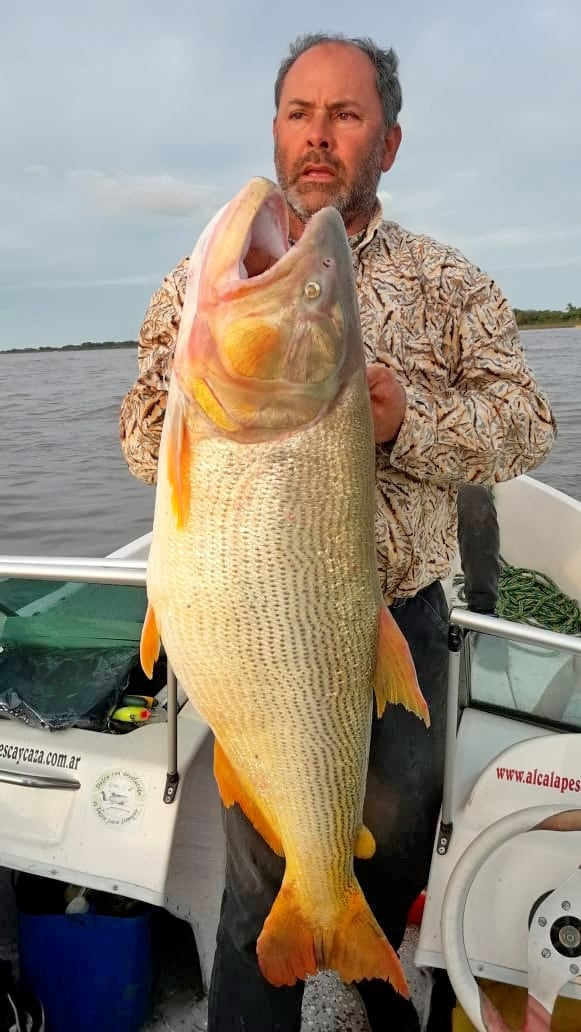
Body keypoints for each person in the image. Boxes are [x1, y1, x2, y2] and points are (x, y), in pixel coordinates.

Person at [119, 33, 556, 1031]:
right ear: (277, 128)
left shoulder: (452, 286)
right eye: (298, 113)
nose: (316, 137)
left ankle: (372, 986)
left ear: (387, 142)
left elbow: (526, 425)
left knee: (391, 857)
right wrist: (198, 400)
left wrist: (410, 423)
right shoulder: (205, 283)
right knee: (254, 885)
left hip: (395, 623)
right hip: (252, 631)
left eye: (344, 115)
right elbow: (144, 443)